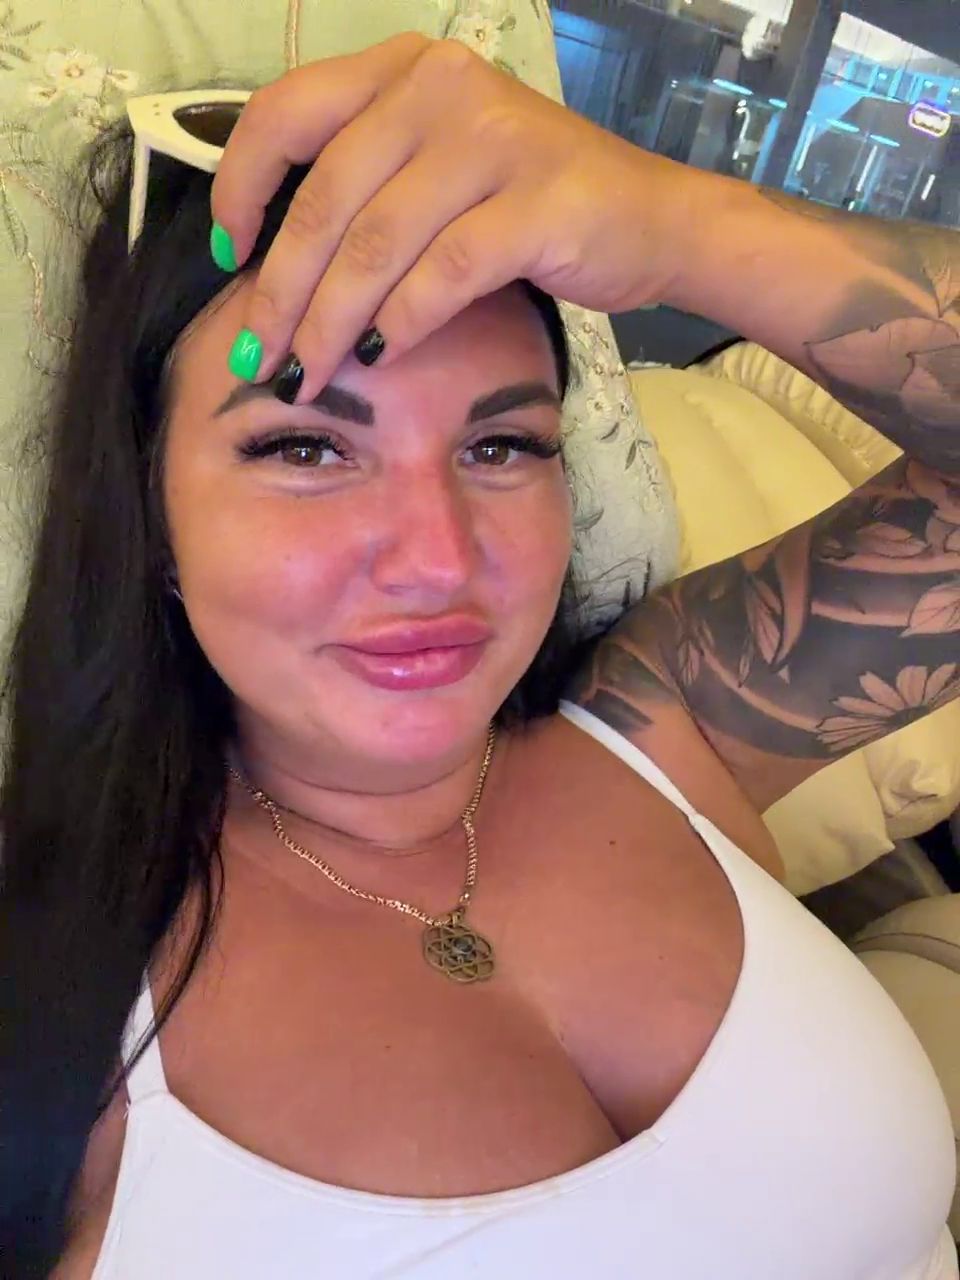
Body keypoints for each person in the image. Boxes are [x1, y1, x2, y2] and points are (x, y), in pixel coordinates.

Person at [1, 31, 958, 1280]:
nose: (438, 559)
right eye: (304, 446)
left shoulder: (678, 726)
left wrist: (676, 222)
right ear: (149, 508)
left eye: (501, 446)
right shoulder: (50, 991)